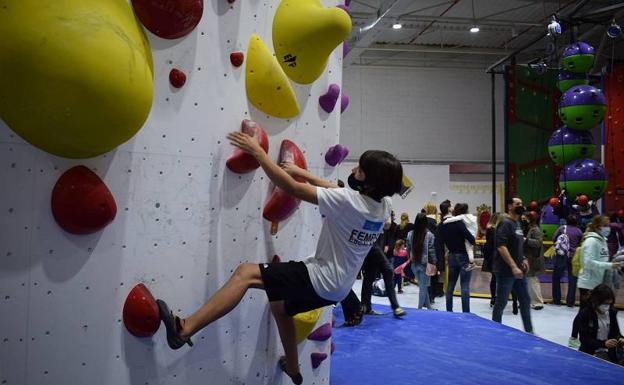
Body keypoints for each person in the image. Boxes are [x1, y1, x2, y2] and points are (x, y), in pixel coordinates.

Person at [155, 131, 403, 385]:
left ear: (370, 181)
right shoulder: (383, 207)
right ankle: (294, 368)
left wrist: (258, 152)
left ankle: (183, 329)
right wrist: (302, 171)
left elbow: (291, 188)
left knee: (245, 273)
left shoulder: (348, 201)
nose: (354, 170)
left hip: (321, 278)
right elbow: (332, 190)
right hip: (338, 287)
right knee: (280, 306)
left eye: (360, 170)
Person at [569, 215, 621, 348]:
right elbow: (588, 263)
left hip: (597, 282)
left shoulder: (602, 240)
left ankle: (583, 337)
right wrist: (609, 266)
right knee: (584, 313)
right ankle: (574, 337)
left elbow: (601, 260)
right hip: (588, 283)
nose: (608, 228)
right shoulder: (591, 241)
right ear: (598, 227)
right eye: (606, 225)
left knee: (589, 313)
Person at [492, 197, 533, 333]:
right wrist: (513, 266)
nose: (521, 206)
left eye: (522, 203)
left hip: (519, 271)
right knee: (501, 302)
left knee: (525, 300)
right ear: (510, 206)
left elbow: (518, 246)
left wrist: (523, 258)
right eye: (517, 204)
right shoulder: (505, 223)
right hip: (505, 271)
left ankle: (529, 331)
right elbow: (501, 246)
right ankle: (495, 330)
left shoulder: (518, 224)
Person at [438, 203, 475, 313]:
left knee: (450, 286)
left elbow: (440, 243)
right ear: (449, 209)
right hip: (463, 256)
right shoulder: (457, 222)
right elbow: (470, 238)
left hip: (451, 256)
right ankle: (466, 313)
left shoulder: (441, 225)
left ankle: (449, 311)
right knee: (464, 286)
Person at [577, 284, 624, 364]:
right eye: (605, 303)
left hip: (610, 352)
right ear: (596, 301)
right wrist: (604, 344)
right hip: (591, 352)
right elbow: (584, 339)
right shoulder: (585, 314)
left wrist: (620, 338)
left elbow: (616, 332)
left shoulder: (612, 312)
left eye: (609, 304)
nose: (607, 307)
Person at [551, 215, 584, 307]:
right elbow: (581, 243)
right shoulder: (579, 231)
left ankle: (557, 300)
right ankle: (570, 302)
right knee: (572, 279)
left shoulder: (562, 228)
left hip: (562, 255)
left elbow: (554, 239)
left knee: (556, 277)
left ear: (567, 221)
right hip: (574, 256)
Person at [407, 213, 437, 309]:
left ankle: (429, 308)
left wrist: (409, 258)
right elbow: (431, 251)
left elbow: (408, 249)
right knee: (423, 288)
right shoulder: (430, 235)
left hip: (414, 264)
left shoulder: (410, 234)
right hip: (425, 265)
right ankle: (419, 309)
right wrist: (435, 263)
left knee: (422, 286)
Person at [524, 212, 544, 310]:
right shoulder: (531, 229)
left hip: (534, 258)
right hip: (530, 257)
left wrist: (526, 240)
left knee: (533, 280)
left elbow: (538, 243)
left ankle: (538, 302)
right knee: (530, 281)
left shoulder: (536, 230)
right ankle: (532, 301)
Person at [482, 213, 501, 307]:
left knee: (494, 278)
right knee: (498, 278)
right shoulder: (495, 230)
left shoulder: (489, 229)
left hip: (491, 256)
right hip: (496, 256)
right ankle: (497, 298)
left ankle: (493, 298)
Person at [423, 202, 440, 303]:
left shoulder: (424, 221)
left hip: (425, 251)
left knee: (425, 275)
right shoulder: (437, 222)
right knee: (434, 274)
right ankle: (432, 295)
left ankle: (427, 296)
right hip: (435, 251)